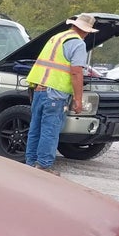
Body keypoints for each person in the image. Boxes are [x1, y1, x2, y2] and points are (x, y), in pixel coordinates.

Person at [24, 13, 97, 174]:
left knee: (35, 128)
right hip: (55, 93)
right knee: (50, 130)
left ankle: (30, 164)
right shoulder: (78, 44)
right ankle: (43, 166)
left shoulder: (56, 37)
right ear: (86, 31)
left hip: (39, 88)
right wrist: (78, 99)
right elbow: (76, 72)